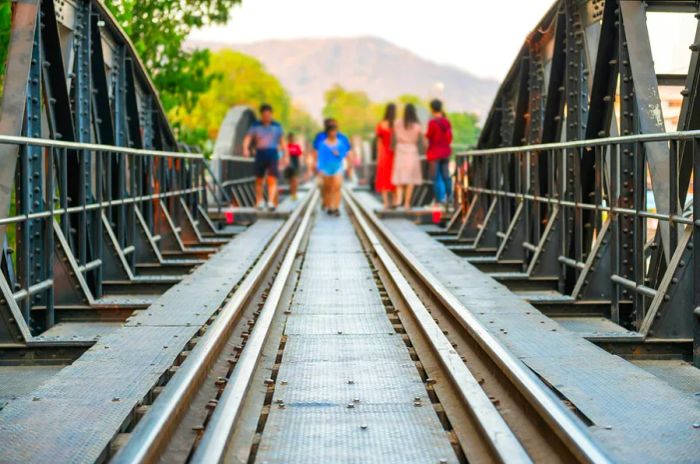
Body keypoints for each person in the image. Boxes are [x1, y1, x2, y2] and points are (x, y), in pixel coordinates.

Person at [242, 103, 287, 211]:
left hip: (272, 153)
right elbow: (248, 138)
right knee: (259, 179)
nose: (266, 117)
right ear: (261, 115)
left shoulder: (277, 126)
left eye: (268, 115)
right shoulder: (255, 126)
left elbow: (282, 141)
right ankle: (259, 201)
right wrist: (245, 149)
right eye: (264, 115)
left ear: (271, 114)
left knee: (272, 179)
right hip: (260, 153)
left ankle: (271, 201)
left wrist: (285, 155)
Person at [316, 119, 352, 216]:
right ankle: (329, 205)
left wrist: (339, 154)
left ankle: (335, 207)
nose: (333, 133)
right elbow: (320, 158)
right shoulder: (322, 144)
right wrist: (320, 169)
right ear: (327, 132)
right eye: (331, 131)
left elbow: (344, 155)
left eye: (335, 131)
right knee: (328, 188)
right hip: (326, 168)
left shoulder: (341, 143)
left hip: (337, 167)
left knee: (337, 187)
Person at [391, 103, 423, 210]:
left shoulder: (397, 123)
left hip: (400, 150)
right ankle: (407, 204)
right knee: (410, 179)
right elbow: (420, 139)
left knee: (400, 177)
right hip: (412, 151)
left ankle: (398, 200)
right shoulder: (417, 125)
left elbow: (394, 136)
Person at [426, 99, 453, 207]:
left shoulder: (432, 123)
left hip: (435, 154)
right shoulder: (446, 122)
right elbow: (450, 137)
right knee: (446, 176)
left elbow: (428, 136)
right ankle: (450, 198)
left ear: (432, 109)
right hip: (445, 152)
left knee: (436, 177)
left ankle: (439, 200)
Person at [375, 103, 397, 209]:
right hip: (395, 154)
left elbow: (379, 142)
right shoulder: (397, 125)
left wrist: (379, 154)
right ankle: (394, 202)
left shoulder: (381, 124)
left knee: (384, 177)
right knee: (394, 177)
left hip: (384, 154)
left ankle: (385, 203)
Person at [285, 133, 303, 200]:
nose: (291, 139)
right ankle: (292, 193)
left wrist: (300, 164)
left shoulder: (296, 146)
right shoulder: (286, 146)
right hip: (288, 165)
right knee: (290, 180)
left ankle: (294, 193)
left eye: (292, 138)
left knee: (294, 179)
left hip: (295, 164)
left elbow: (300, 155)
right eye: (290, 138)